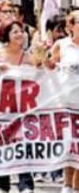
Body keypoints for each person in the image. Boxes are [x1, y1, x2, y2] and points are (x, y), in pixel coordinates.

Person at [0, 21, 39, 193]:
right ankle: (2, 184)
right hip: (1, 109)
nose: (19, 34)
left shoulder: (29, 57)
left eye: (21, 31)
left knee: (23, 145)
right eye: (15, 31)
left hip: (23, 109)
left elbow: (42, 74)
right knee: (2, 145)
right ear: (6, 35)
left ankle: (26, 183)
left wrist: (42, 55)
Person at [49, 10, 79, 193]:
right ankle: (67, 185)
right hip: (67, 104)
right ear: (70, 26)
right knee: (71, 148)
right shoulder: (62, 45)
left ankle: (75, 186)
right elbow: (47, 67)